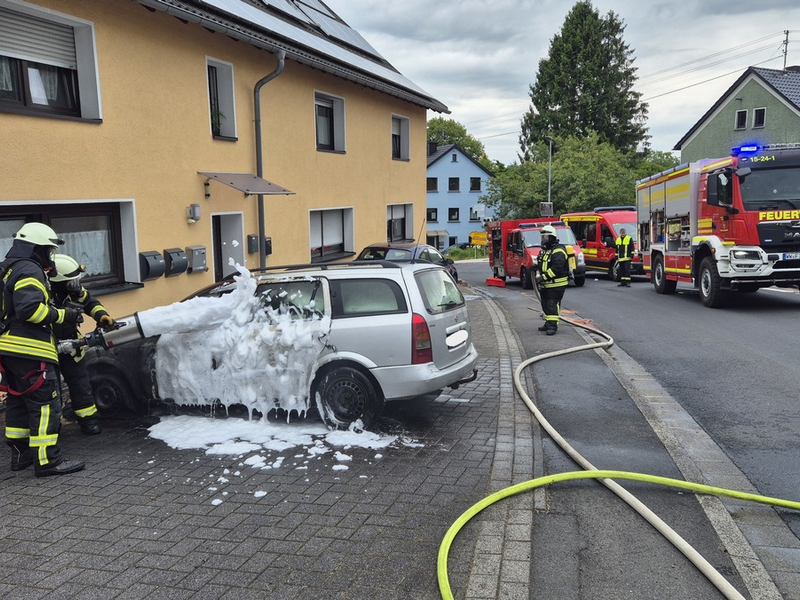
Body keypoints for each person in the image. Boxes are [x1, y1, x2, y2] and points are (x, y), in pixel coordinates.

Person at [0, 222, 85, 477]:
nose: (49, 256)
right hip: (31, 350)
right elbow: (30, 310)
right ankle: (48, 460)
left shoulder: (7, 269)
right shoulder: (29, 270)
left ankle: (21, 455)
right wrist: (64, 315)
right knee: (46, 402)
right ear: (35, 248)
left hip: (9, 348)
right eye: (47, 250)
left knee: (18, 399)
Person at [50, 254, 116, 436]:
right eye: (71, 281)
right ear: (59, 281)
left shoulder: (73, 291)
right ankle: (52, 429)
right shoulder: (41, 294)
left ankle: (89, 422)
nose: (76, 284)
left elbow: (90, 302)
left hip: (72, 347)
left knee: (81, 385)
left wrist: (102, 315)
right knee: (51, 391)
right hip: (48, 349)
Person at [535, 225, 570, 336]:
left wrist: (543, 277)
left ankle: (552, 326)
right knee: (545, 304)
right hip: (546, 284)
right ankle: (548, 322)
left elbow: (557, 268)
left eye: (545, 237)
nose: (543, 239)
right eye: (542, 237)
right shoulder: (545, 250)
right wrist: (535, 268)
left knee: (552, 304)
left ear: (552, 237)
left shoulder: (559, 251)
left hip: (557, 284)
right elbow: (542, 264)